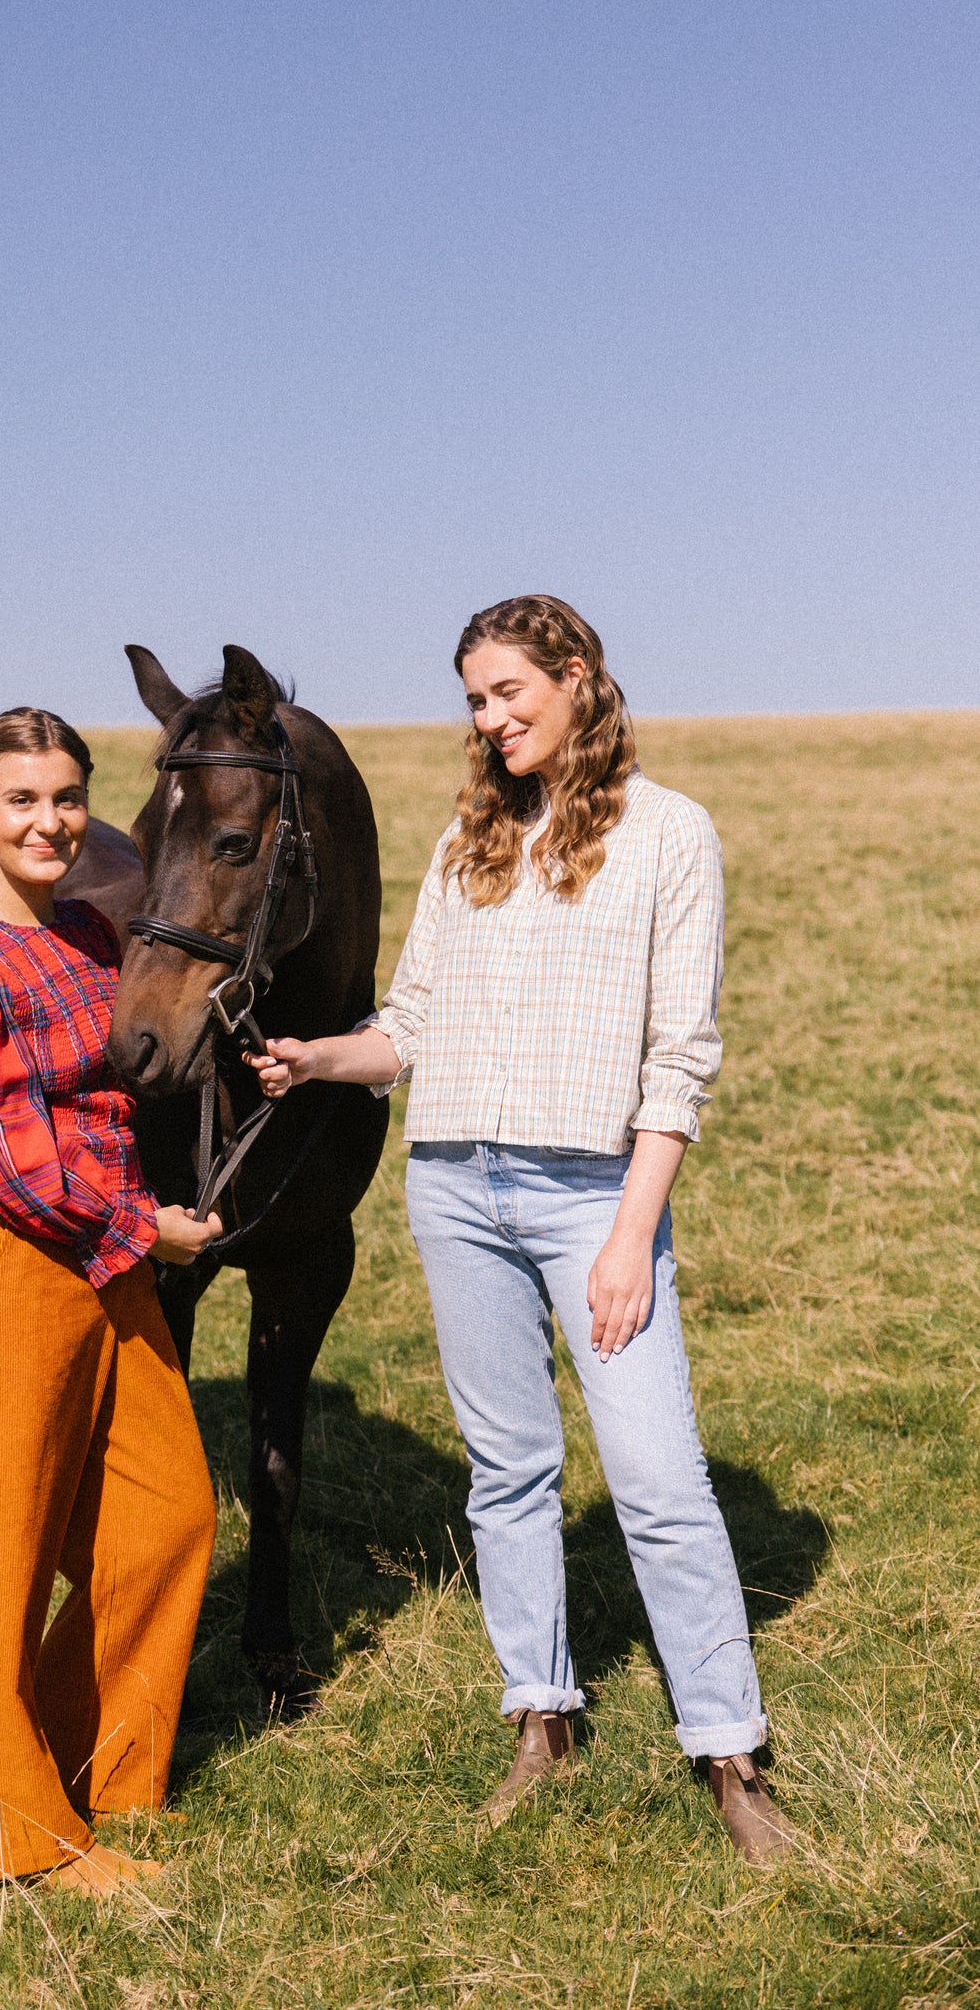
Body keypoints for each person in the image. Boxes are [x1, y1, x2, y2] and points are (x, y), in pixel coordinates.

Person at [246, 597, 800, 1866]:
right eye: (474, 702)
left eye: (507, 692)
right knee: (507, 1473)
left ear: (575, 677)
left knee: (658, 1481)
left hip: (589, 1196)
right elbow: (412, 1025)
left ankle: (727, 1751)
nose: (490, 721)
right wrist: (319, 1058)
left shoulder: (669, 835)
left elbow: (679, 1061)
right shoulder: (469, 839)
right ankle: (537, 1717)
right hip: (451, 1183)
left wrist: (626, 1235)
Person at [0, 706, 220, 1896]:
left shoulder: (96, 931)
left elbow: (141, 1050)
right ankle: (21, 1839)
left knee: (171, 1513)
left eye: (64, 797)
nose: (48, 821)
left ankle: (94, 1769)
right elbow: (1, 1159)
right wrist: (150, 1227)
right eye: (21, 801)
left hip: (107, 1267)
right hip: (9, 1267)